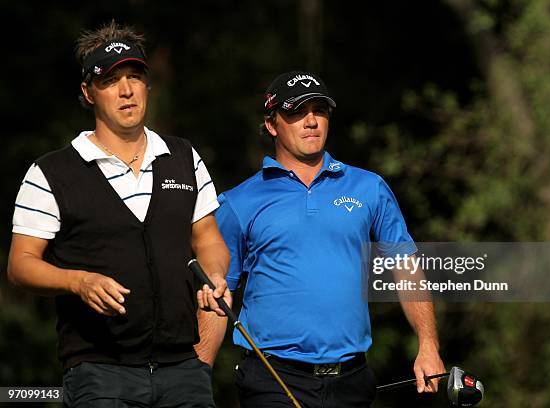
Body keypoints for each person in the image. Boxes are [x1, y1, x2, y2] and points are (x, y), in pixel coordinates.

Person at [7, 21, 230, 408]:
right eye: (110, 80)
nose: (126, 90)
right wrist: (79, 282)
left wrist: (214, 276)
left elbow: (208, 237)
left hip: (183, 369)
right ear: (88, 92)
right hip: (98, 371)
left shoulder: (183, 158)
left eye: (135, 77)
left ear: (147, 84)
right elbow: (21, 264)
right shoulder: (50, 172)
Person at [214, 71, 446, 407]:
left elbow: (405, 267)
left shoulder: (369, 188)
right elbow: (218, 293)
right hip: (272, 377)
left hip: (351, 379)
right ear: (272, 124)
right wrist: (197, 372)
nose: (310, 121)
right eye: (296, 111)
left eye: (319, 110)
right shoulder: (238, 202)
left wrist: (428, 345)